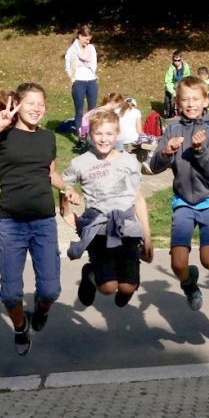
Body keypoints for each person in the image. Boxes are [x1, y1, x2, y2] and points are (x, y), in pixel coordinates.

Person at [0, 84, 67, 355]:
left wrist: (67, 188)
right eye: (30, 103)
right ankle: (21, 327)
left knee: (50, 291)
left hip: (44, 223)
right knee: (10, 294)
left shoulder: (47, 137)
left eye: (41, 103)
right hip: (11, 225)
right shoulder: (3, 135)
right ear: (17, 105)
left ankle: (40, 311)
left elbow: (50, 173)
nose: (37, 108)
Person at [150, 76, 209, 310]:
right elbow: (154, 166)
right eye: (185, 99)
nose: (191, 104)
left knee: (208, 258)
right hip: (183, 202)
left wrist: (199, 149)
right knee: (178, 263)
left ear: (206, 101)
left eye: (196, 99)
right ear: (177, 102)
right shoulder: (172, 128)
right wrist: (166, 152)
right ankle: (189, 285)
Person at [60, 109, 153, 308]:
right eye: (98, 134)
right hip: (99, 229)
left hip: (127, 228)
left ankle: (128, 282)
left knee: (127, 287)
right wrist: (65, 209)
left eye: (109, 134)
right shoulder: (80, 162)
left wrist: (147, 236)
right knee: (108, 287)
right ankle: (90, 275)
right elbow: (62, 184)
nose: (104, 139)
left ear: (118, 135)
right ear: (89, 135)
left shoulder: (130, 162)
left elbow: (138, 198)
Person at [65, 25, 98, 149]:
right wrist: (74, 78)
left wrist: (92, 75)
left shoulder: (91, 49)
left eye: (89, 39)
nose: (88, 42)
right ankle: (80, 138)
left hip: (91, 81)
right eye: (86, 39)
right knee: (79, 111)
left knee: (92, 110)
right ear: (80, 36)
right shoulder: (72, 50)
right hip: (79, 81)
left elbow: (94, 63)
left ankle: (91, 135)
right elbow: (67, 67)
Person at [163, 51, 191, 118]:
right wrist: (172, 92)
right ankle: (168, 115)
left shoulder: (185, 66)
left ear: (181, 59)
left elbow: (187, 77)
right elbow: (168, 81)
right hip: (171, 88)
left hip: (180, 86)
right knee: (169, 103)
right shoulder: (171, 68)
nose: (177, 62)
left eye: (178, 60)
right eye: (175, 60)